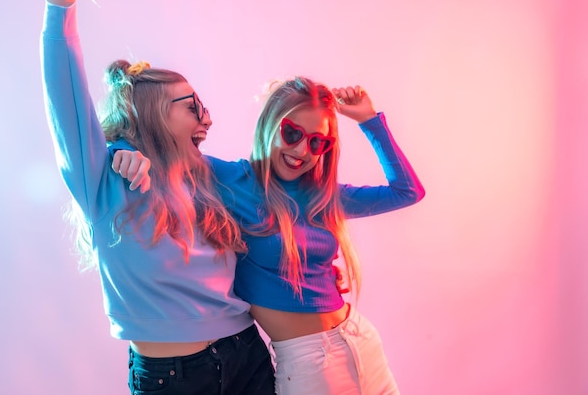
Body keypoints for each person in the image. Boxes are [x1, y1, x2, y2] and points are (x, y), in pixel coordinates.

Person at [114, 76, 425, 395]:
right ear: (269, 124)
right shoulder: (231, 180)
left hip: (360, 340)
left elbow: (408, 191)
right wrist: (123, 149)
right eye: (293, 133)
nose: (303, 150)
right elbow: (160, 150)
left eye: (318, 142)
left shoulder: (323, 195)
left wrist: (369, 120)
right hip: (308, 363)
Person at [40, 0, 276, 394]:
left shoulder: (209, 176)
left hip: (247, 353)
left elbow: (290, 183)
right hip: (173, 377)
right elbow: (63, 88)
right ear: (152, 114)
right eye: (193, 107)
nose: (207, 118)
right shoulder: (105, 179)